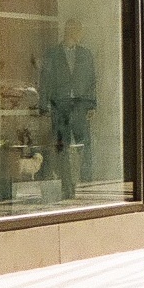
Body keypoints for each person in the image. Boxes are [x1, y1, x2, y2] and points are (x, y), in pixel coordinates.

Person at [38, 18, 98, 199]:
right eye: (79, 30)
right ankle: (67, 185)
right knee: (62, 147)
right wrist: (44, 104)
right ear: (71, 31)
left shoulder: (85, 54)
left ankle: (86, 183)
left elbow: (92, 80)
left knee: (84, 145)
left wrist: (92, 104)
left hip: (80, 105)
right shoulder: (53, 54)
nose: (81, 34)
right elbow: (45, 79)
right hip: (60, 105)